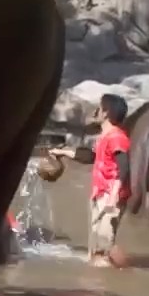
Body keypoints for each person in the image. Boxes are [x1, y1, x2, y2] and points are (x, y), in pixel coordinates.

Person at [54, 94, 131, 267]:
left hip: (110, 195)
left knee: (104, 243)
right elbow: (91, 157)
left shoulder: (117, 137)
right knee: (96, 244)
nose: (95, 112)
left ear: (106, 113)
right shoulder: (104, 137)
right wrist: (63, 152)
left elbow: (124, 167)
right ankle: (104, 273)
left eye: (99, 108)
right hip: (100, 193)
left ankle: (121, 271)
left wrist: (113, 195)